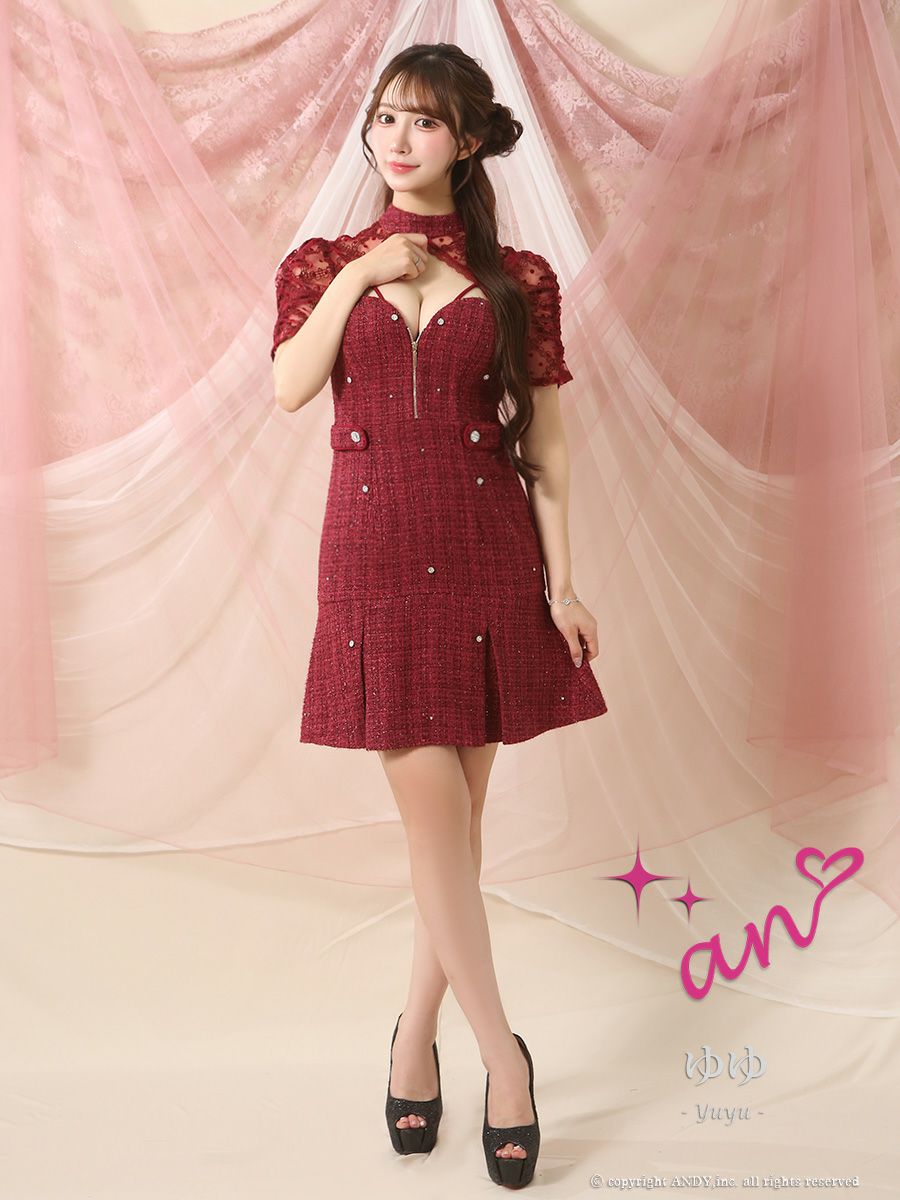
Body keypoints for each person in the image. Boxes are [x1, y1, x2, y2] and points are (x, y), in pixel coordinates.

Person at [271, 42, 608, 1189]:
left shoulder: (521, 281)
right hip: (370, 561)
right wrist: (364, 276)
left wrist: (564, 585)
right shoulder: (322, 263)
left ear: (466, 142)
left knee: (450, 842)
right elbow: (289, 388)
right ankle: (504, 1060)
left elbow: (548, 447)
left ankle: (412, 1040)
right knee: (437, 830)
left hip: (488, 557)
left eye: (421, 121)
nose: (396, 139)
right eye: (385, 118)